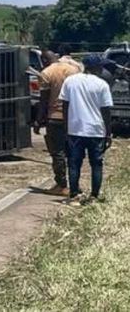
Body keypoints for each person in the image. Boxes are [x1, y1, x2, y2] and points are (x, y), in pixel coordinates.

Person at [59, 54, 114, 206]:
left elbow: (65, 106)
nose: (102, 69)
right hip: (96, 130)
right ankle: (94, 196)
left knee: (74, 163)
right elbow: (106, 111)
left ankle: (74, 194)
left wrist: (66, 127)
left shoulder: (70, 81)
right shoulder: (101, 84)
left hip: (75, 129)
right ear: (95, 67)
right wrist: (108, 133)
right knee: (96, 164)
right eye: (100, 66)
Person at [37, 51, 80, 195]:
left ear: (44, 60)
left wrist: (38, 120)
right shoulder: (73, 70)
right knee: (73, 152)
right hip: (74, 118)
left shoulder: (46, 73)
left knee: (57, 152)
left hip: (55, 117)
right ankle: (75, 184)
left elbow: (44, 100)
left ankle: (61, 185)